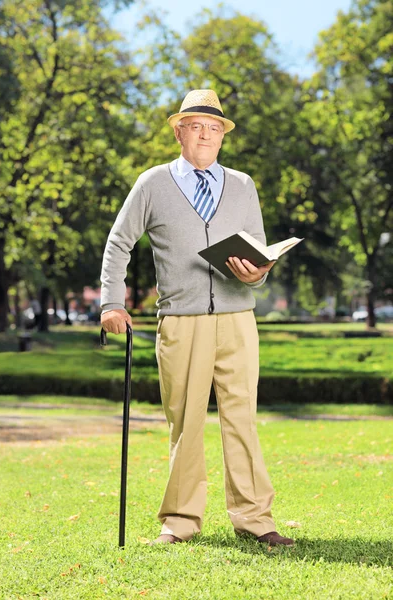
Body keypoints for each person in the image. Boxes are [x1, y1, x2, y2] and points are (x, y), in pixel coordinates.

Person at [100, 89, 294, 547]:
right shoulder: (153, 183)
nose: (205, 135)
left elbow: (259, 257)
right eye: (196, 126)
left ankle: (255, 520)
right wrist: (111, 302)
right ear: (179, 130)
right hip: (181, 321)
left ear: (222, 137)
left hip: (238, 320)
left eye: (214, 129)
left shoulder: (244, 185)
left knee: (242, 418)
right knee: (185, 422)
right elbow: (117, 244)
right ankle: (181, 522)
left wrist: (257, 273)